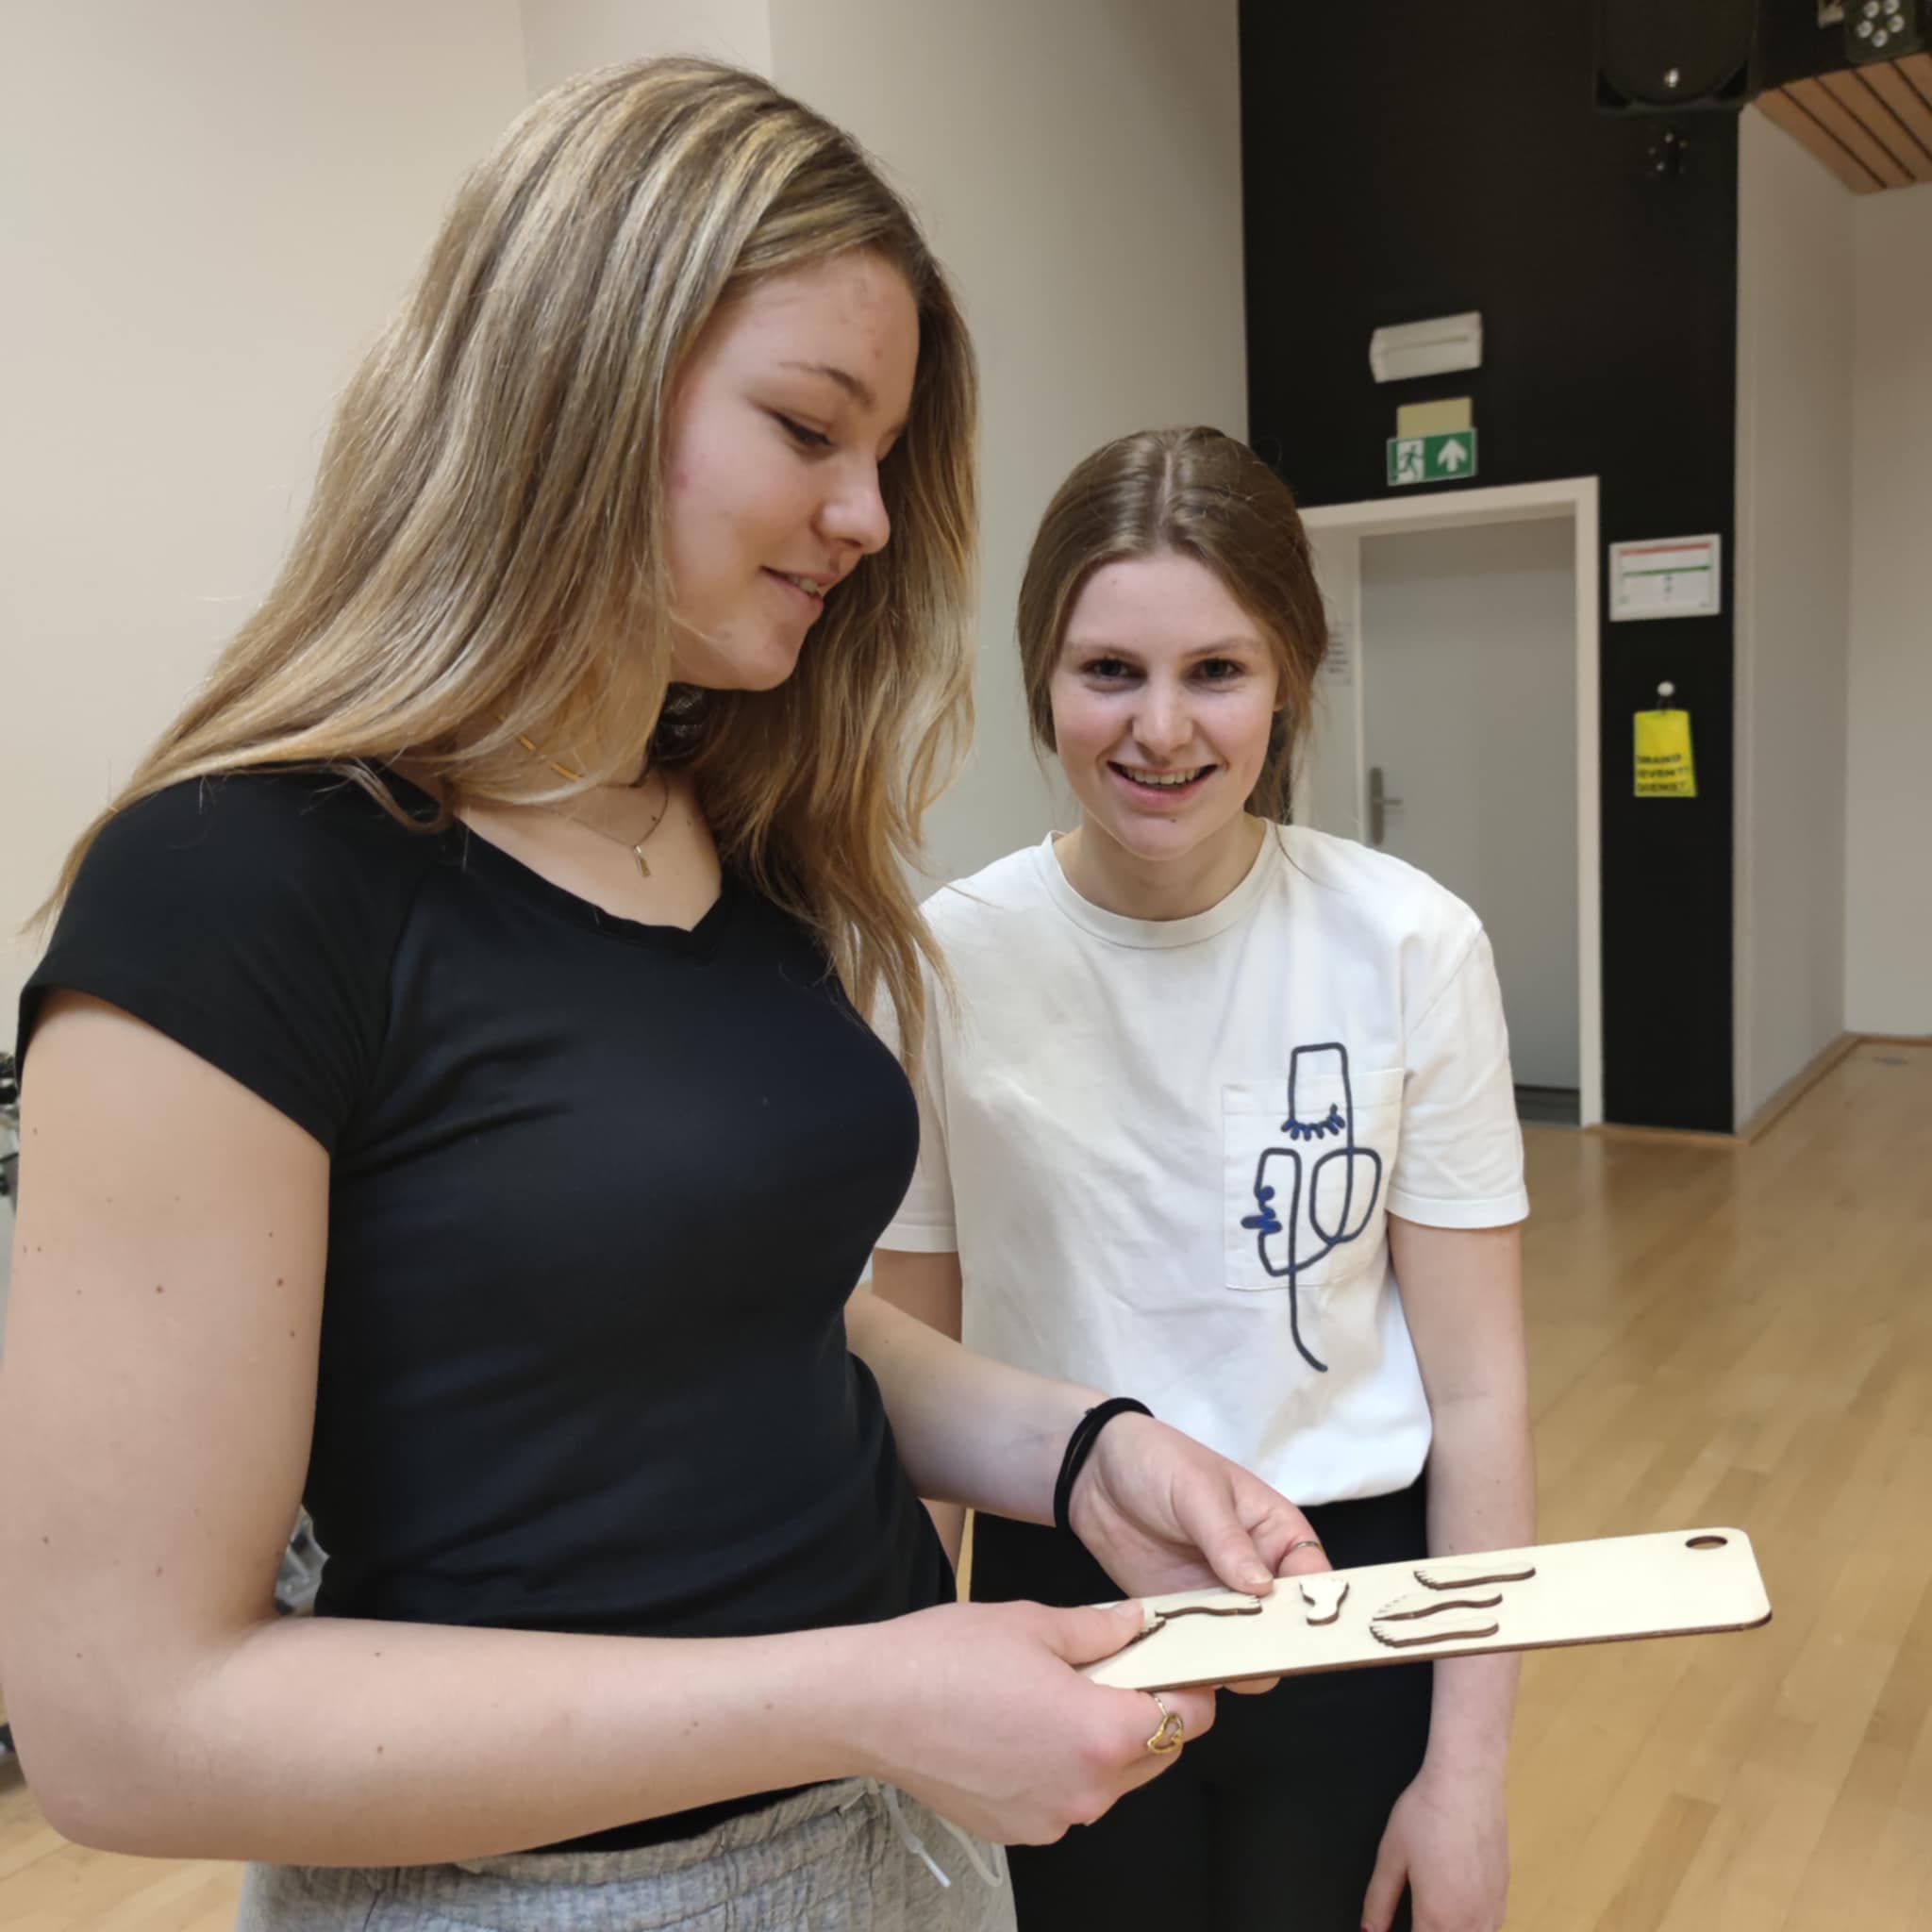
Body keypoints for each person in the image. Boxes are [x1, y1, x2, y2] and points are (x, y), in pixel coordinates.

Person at [0, 69, 1333, 1932]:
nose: (865, 516)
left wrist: (1081, 1446)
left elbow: (734, 1313)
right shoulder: (236, 888)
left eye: (884, 458)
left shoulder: (740, 846)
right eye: (808, 427)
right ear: (572, 377)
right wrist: (858, 1685)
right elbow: (124, 1726)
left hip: (890, 1837)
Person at [874, 426, 1535, 1932]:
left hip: (1352, 1598)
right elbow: (908, 1384)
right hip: (1059, 1605)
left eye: (1216, 672)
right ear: (1042, 675)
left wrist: (1470, 1775)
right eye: (1110, 670)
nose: (1160, 728)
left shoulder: (1412, 946)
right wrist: (897, 1715)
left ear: (1291, 674)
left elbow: (1483, 1396)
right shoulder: (939, 962)